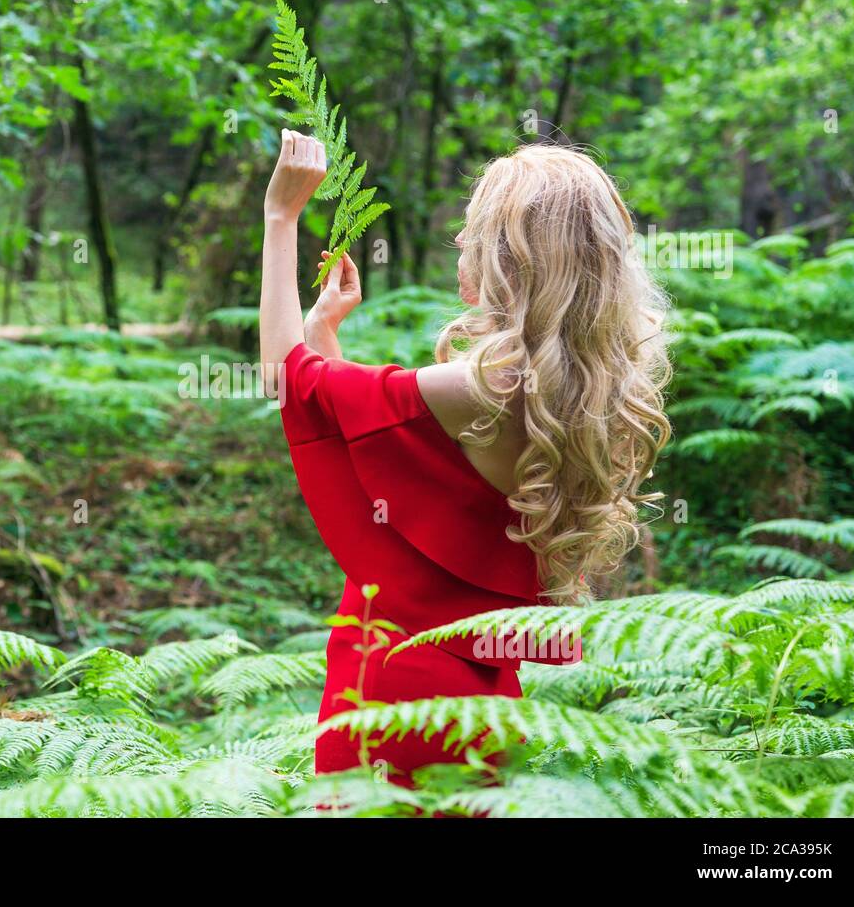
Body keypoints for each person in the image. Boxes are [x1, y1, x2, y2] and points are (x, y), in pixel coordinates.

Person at [260, 131, 672, 789]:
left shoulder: (476, 389)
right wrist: (322, 334)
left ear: (512, 260)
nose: (458, 242)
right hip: (480, 701)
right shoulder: (567, 398)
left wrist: (280, 218)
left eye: (472, 227)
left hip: (391, 697)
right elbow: (377, 454)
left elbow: (287, 381)